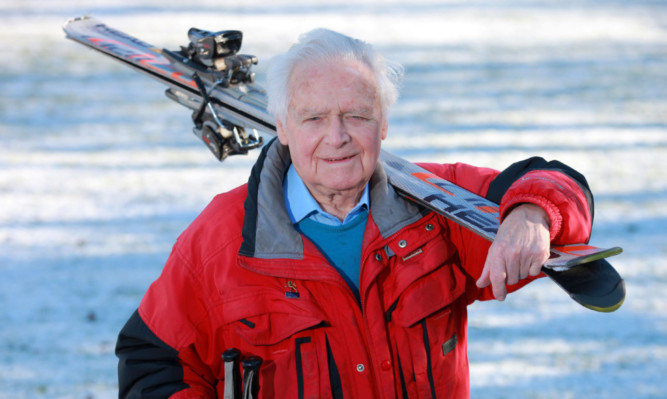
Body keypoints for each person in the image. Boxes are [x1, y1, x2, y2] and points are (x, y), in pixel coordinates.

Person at [116, 28, 593, 399]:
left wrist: (531, 214)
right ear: (281, 126)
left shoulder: (434, 205)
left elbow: (555, 183)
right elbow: (152, 359)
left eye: (357, 116)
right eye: (314, 118)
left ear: (383, 123)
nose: (338, 137)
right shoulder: (220, 240)